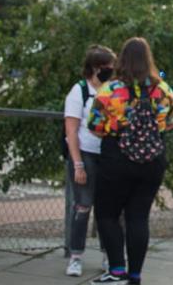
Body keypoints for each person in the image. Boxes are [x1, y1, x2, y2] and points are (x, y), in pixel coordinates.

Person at [88, 37, 173, 285]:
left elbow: (94, 127)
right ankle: (135, 276)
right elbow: (171, 123)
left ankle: (117, 271)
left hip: (116, 158)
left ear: (122, 59)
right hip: (152, 160)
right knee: (138, 217)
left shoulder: (110, 90)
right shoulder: (164, 90)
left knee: (107, 214)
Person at [64, 45, 115, 277]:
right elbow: (72, 131)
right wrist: (78, 164)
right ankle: (76, 256)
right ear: (96, 68)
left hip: (107, 155)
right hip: (85, 155)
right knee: (83, 207)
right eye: (107, 68)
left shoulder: (111, 90)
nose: (111, 71)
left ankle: (109, 255)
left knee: (109, 209)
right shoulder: (80, 91)